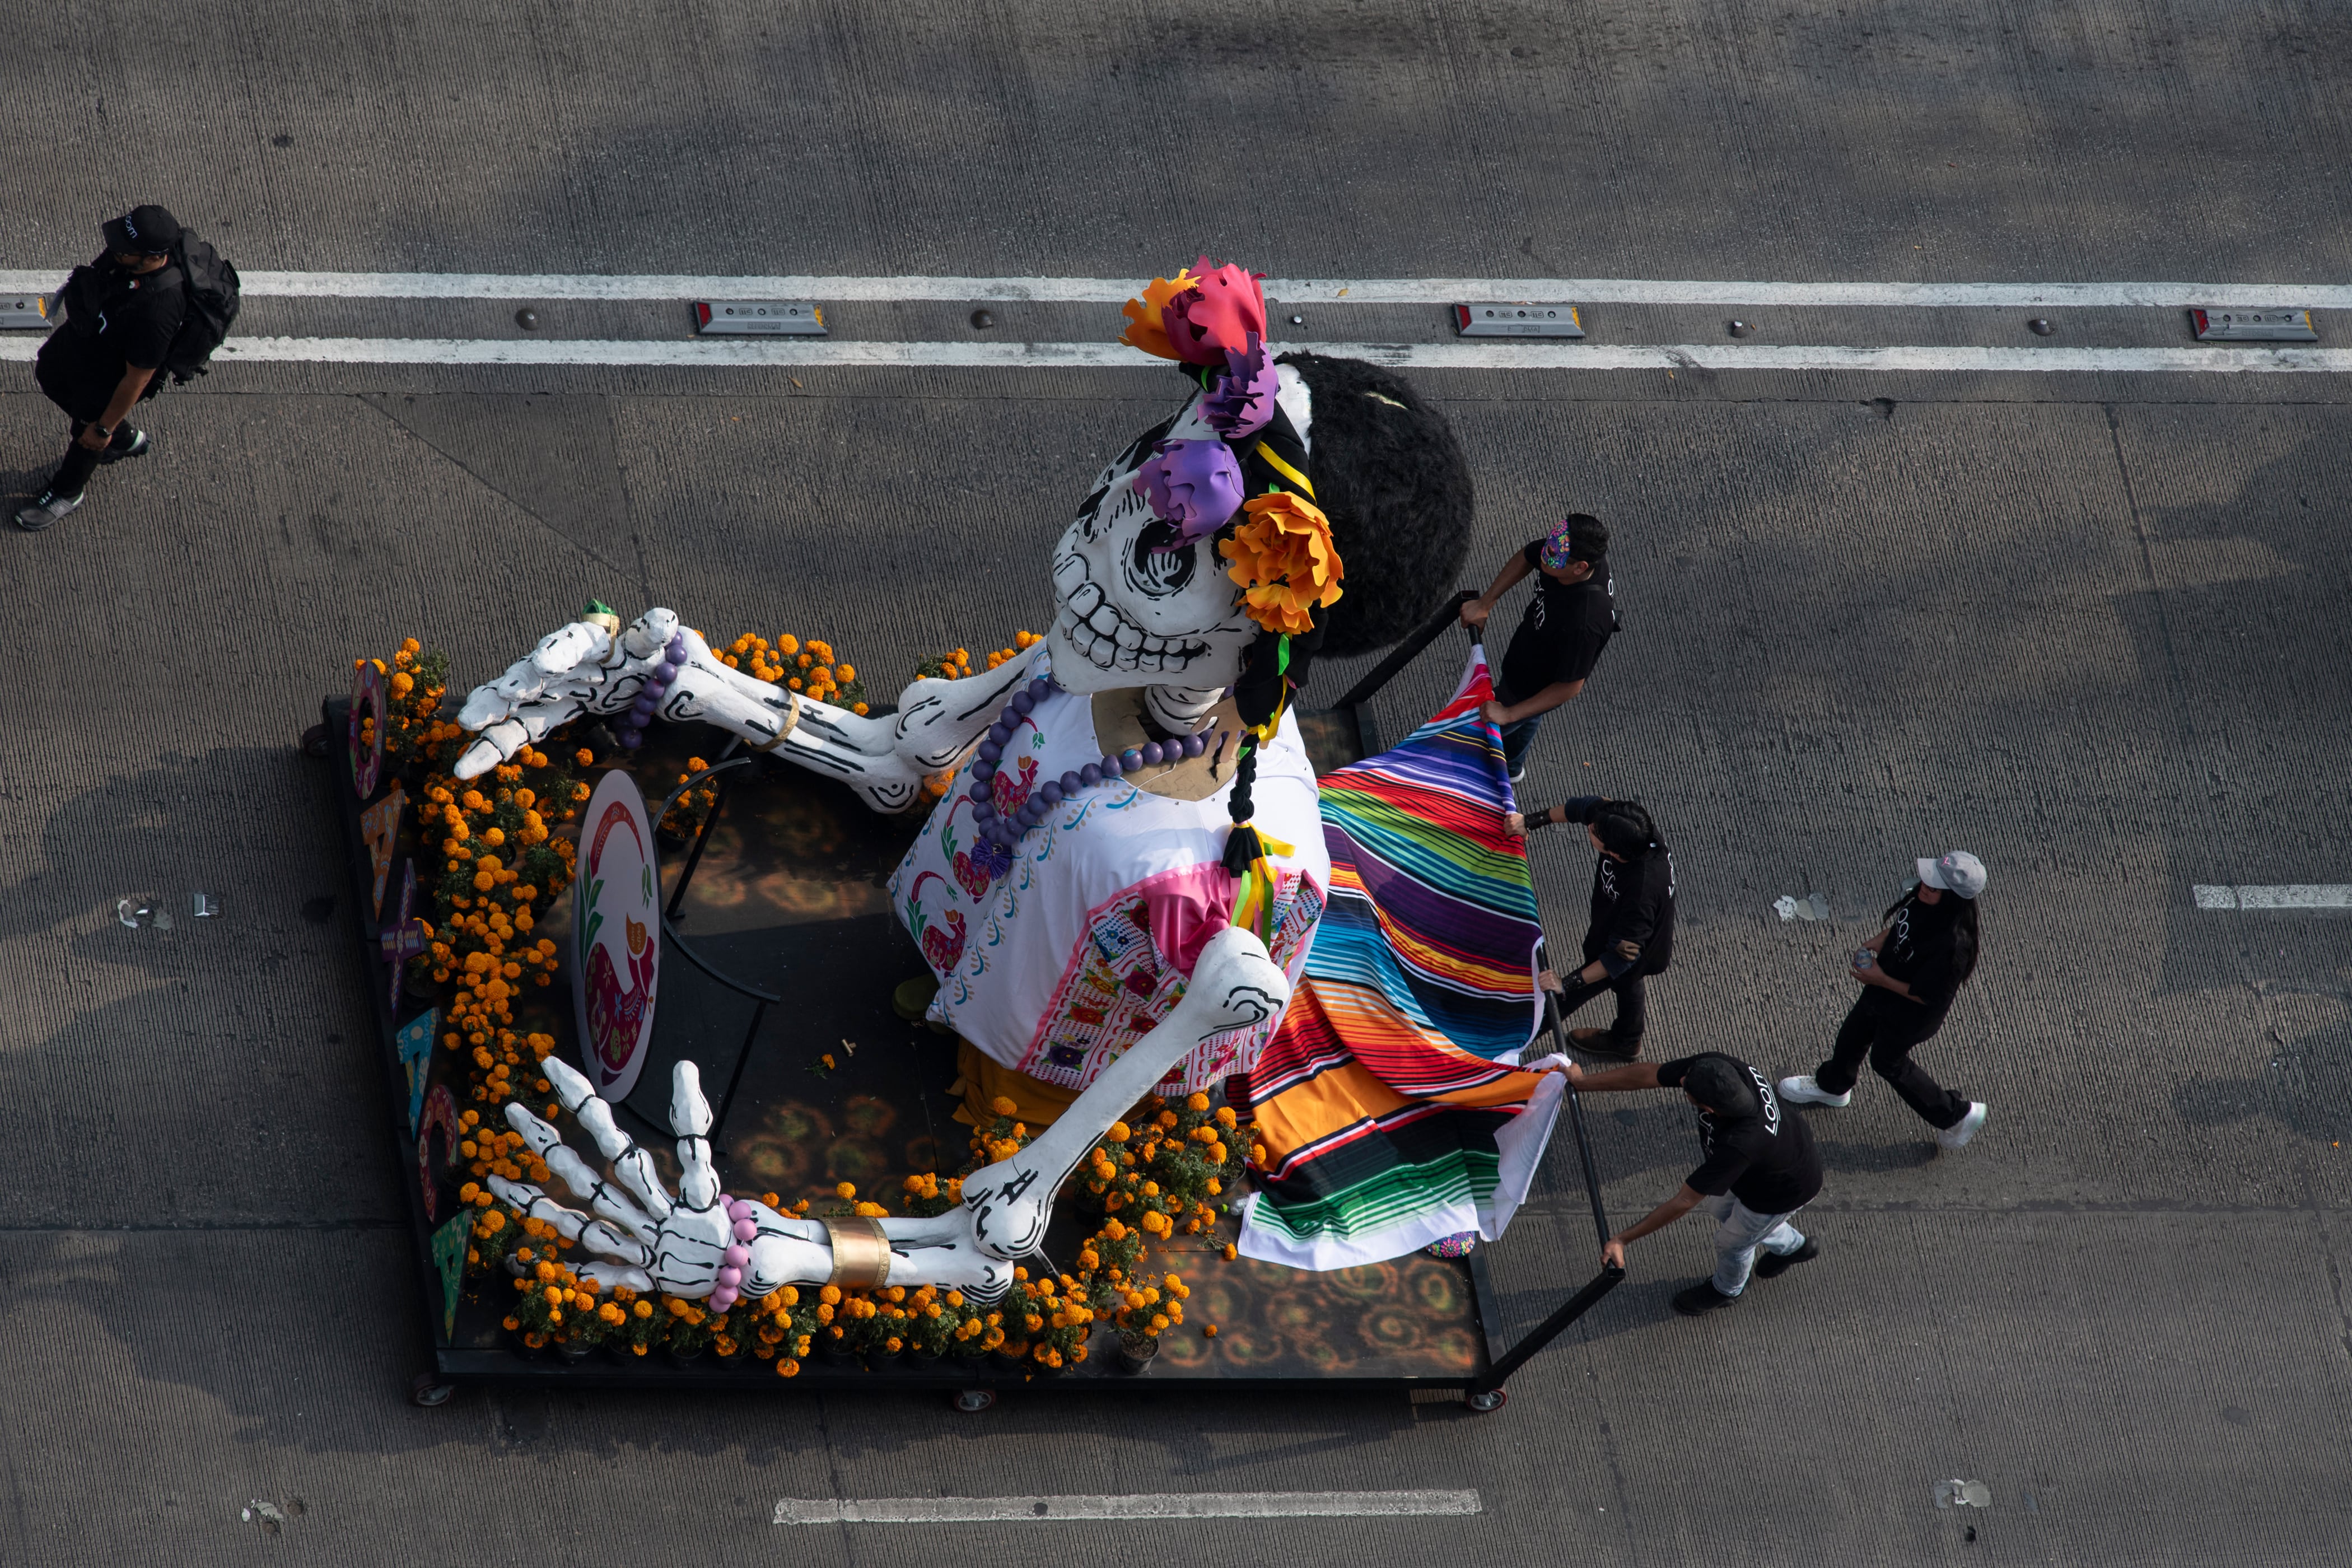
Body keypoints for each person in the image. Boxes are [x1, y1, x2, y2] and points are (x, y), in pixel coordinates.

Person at [1561, 1050, 1822, 1314]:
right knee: (1721, 1210)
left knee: (1732, 1243)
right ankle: (1796, 1248)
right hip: (1770, 1162)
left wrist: (1622, 1239)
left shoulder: (1740, 1144)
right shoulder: (1719, 1069)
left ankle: (1727, 1289)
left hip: (1783, 1191)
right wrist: (1584, 1083)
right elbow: (1652, 1074)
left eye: (1687, 1088)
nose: (1682, 1081)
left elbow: (1684, 1201)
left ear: (1709, 1109)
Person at [1779, 851, 1989, 1151]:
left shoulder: (1953, 947)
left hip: (1910, 1014)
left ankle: (1955, 1115)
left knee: (1887, 1061)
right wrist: (1877, 943)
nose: (1923, 887)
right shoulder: (1925, 899)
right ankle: (1833, 1086)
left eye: (1933, 887)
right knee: (1853, 1034)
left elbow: (1925, 995)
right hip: (1883, 987)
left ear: (1954, 899)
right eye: (1927, 880)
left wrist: (1880, 979)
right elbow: (1902, 924)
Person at [15, 205, 188, 533]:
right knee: (48, 373)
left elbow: (137, 379)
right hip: (85, 343)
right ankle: (127, 439)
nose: (113, 250)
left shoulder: (158, 312)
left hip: (106, 380)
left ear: (150, 258)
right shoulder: (127, 260)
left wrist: (105, 428)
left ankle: (68, 492)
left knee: (88, 434)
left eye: (122, 249)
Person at [1458, 513, 1618, 781]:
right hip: (1527, 659)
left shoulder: (1585, 622)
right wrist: (1485, 603)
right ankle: (1511, 768)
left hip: (1531, 687)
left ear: (1579, 568)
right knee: (1529, 718)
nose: (1545, 555)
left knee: (1470, 734)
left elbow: (1570, 686)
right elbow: (1528, 555)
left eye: (1553, 554)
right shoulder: (1566, 550)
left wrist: (1508, 713)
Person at [1515, 795, 1673, 1060]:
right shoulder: (1625, 825)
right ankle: (1628, 1039)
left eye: (1595, 831)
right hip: (1614, 932)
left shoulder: (1642, 891)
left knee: (1575, 993)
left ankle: (1511, 1038)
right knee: (1629, 985)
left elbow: (1620, 959)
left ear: (1615, 853)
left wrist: (1564, 984)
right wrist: (1529, 822)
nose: (1589, 826)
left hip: (1631, 951)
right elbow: (1583, 808)